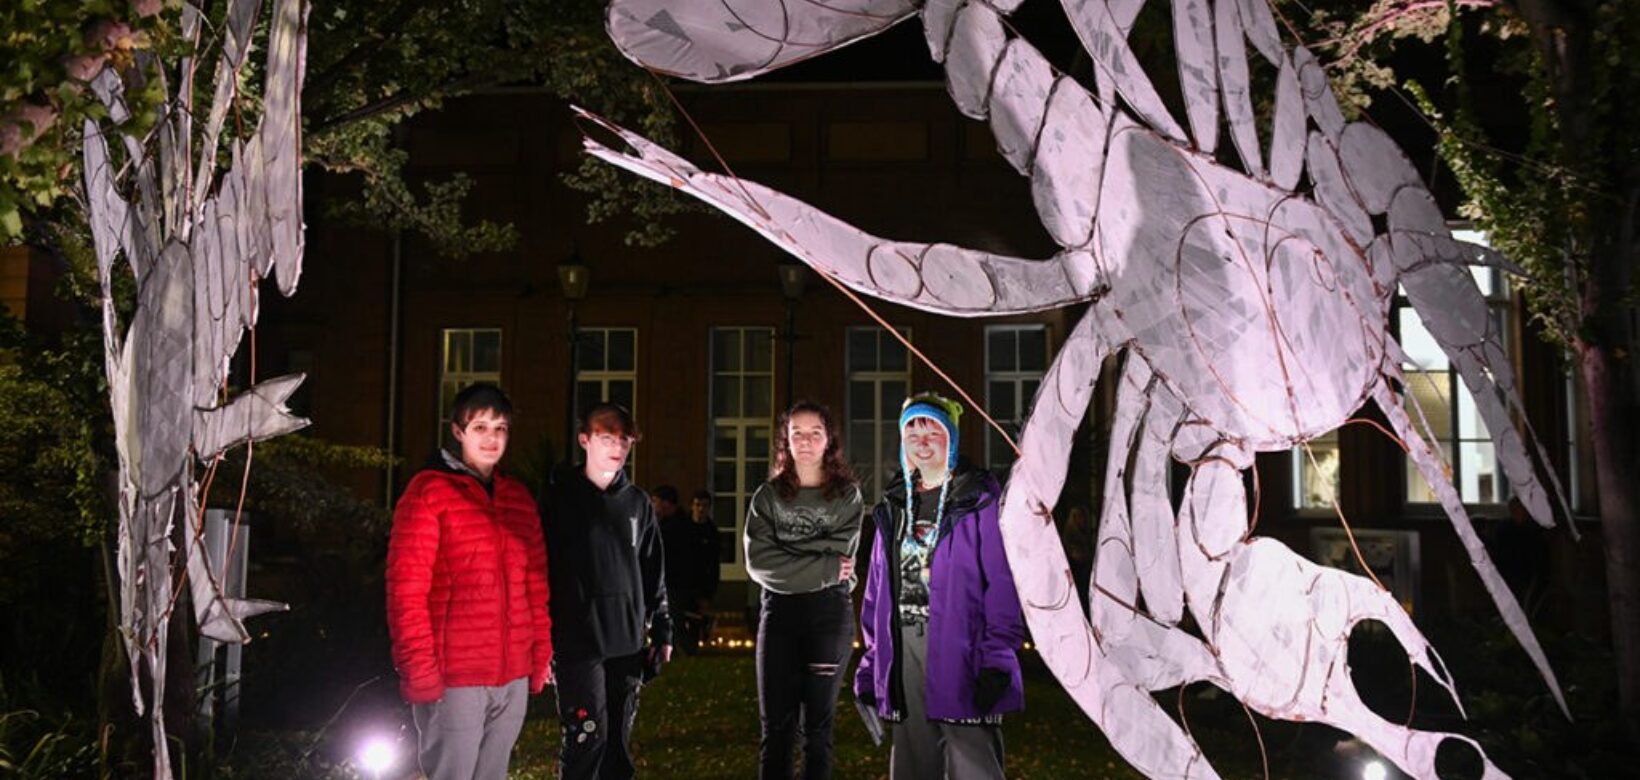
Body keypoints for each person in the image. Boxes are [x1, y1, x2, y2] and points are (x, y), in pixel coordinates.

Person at [854, 393, 1025, 780]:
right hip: (906, 650)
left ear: (951, 436)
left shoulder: (979, 499)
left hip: (962, 647)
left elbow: (1001, 583)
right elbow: (876, 593)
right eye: (912, 431)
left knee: (972, 758)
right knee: (914, 760)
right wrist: (871, 668)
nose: (922, 440)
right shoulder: (894, 506)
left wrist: (997, 659)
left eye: (932, 430)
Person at [386, 383, 552, 780]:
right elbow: (405, 589)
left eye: (500, 428)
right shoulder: (429, 493)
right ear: (458, 432)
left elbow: (536, 585)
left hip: (510, 675)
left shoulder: (518, 499)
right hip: (454, 677)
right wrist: (420, 670)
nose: (491, 438)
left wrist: (539, 657)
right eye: (480, 427)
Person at [544, 403, 671, 780]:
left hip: (626, 643)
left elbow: (653, 570)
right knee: (586, 739)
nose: (616, 448)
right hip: (577, 644)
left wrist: (663, 628)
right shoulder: (560, 501)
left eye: (624, 441)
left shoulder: (637, 505)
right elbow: (542, 570)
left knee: (617, 744)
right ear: (585, 440)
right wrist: (541, 638)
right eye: (606, 438)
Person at [744, 400, 864, 780]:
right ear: (786, 441)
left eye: (815, 433)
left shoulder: (847, 497)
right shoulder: (768, 497)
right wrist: (824, 565)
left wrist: (790, 558)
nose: (806, 441)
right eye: (797, 433)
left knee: (817, 733)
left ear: (829, 440)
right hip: (779, 616)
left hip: (828, 617)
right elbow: (760, 563)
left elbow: (843, 560)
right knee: (775, 733)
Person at [657, 485, 718, 654]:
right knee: (678, 618)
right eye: (697, 505)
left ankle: (689, 650)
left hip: (698, 583)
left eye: (704, 505)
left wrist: (709, 591)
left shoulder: (710, 532)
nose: (700, 509)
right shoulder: (684, 526)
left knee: (693, 621)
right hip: (681, 582)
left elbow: (712, 564)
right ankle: (683, 651)